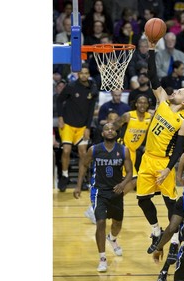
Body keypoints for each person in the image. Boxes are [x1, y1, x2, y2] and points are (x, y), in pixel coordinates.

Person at [136, 36, 184, 263]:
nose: (175, 91)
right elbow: (153, 77)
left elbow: (179, 148)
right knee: (142, 199)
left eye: (180, 92)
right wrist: (151, 50)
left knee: (171, 204)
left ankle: (175, 240)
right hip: (147, 159)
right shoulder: (162, 101)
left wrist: (168, 170)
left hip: (164, 162)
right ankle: (156, 230)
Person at [73, 123, 133, 272]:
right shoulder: (94, 149)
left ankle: (112, 238)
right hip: (99, 191)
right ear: (102, 133)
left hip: (116, 191)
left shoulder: (123, 150)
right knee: (100, 223)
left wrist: (123, 184)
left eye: (112, 129)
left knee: (117, 224)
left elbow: (130, 172)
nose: (110, 130)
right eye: (107, 129)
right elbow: (84, 165)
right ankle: (102, 258)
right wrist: (78, 186)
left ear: (116, 133)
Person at [56, 63, 99, 192]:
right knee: (66, 151)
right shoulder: (71, 86)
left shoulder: (93, 89)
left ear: (89, 75)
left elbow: (91, 110)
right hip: (68, 124)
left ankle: (83, 179)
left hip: (82, 127)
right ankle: (64, 176)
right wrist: (60, 118)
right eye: (82, 73)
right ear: (78, 74)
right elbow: (59, 100)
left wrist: (88, 127)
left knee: (83, 153)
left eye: (86, 73)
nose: (84, 75)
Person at [112, 95, 152, 195]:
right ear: (136, 104)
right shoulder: (128, 116)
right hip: (123, 150)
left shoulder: (150, 118)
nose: (142, 105)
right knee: (133, 180)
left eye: (144, 102)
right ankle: (113, 200)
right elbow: (112, 127)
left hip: (133, 152)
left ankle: (110, 201)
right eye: (140, 102)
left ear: (147, 105)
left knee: (122, 181)